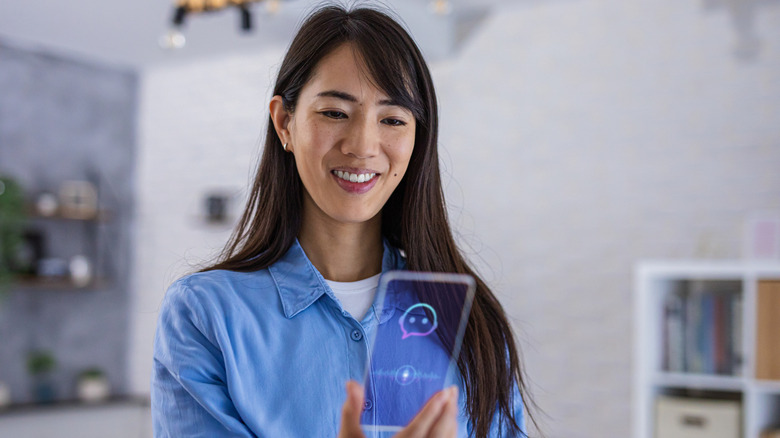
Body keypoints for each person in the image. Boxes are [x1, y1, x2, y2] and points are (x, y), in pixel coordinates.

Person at [151, 4, 537, 438]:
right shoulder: (205, 314)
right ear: (284, 122)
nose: (363, 145)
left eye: (392, 119)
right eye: (335, 113)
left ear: (417, 139)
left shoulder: (470, 321)